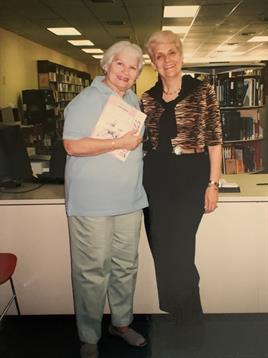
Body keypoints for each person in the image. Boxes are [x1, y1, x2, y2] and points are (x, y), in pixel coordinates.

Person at [63, 41, 148, 358]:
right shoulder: (86, 101)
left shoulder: (132, 99)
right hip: (93, 202)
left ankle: (122, 323)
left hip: (129, 201)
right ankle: (89, 335)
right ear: (107, 65)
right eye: (121, 64)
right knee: (91, 271)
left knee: (126, 267)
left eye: (134, 67)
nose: (127, 72)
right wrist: (119, 141)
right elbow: (72, 146)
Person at [141, 31, 223, 328]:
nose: (167, 60)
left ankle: (190, 321)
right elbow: (141, 144)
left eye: (171, 52)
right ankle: (177, 312)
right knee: (161, 248)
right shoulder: (147, 99)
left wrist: (213, 184)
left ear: (181, 55)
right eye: (159, 56)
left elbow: (215, 139)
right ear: (153, 62)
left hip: (191, 176)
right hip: (155, 178)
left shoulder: (202, 91)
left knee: (181, 249)